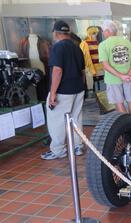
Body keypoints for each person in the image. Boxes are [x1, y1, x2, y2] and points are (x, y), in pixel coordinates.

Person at [41, 20, 86, 160]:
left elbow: (57, 70)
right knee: (76, 117)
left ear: (55, 33)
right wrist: (82, 87)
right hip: (78, 88)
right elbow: (83, 71)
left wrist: (53, 93)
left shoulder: (57, 47)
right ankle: (78, 146)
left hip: (63, 91)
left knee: (57, 121)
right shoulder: (77, 47)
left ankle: (58, 150)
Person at [98, 20, 131, 117]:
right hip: (128, 79)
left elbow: (105, 65)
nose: (103, 33)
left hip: (113, 80)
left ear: (108, 31)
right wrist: (128, 75)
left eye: (103, 31)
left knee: (119, 104)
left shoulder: (103, 45)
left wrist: (121, 76)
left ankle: (126, 129)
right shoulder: (127, 42)